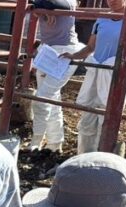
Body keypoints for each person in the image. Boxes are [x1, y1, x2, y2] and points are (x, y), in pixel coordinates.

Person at [61, 0, 126, 154]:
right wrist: (73, 56)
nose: (111, 1)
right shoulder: (102, 18)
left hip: (115, 74)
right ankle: (84, 155)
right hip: (97, 71)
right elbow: (90, 47)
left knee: (107, 116)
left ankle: (104, 157)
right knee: (88, 114)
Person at [29, 0, 86, 153]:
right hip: (47, 52)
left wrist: (45, 9)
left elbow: (64, 5)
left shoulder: (66, 2)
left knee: (42, 98)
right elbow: (32, 3)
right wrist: (44, 9)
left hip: (65, 52)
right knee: (52, 99)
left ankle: (36, 140)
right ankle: (54, 143)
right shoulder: (44, 3)